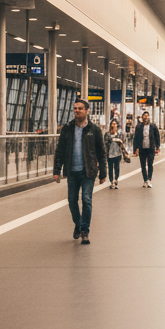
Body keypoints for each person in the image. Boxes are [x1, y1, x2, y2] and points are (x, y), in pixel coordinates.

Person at [53, 98, 106, 244]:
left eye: (80, 108)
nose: (77, 111)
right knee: (71, 200)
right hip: (72, 170)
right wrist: (56, 169)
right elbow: (60, 150)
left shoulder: (94, 130)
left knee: (86, 200)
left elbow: (101, 152)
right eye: (75, 108)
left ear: (87, 111)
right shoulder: (67, 128)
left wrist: (103, 173)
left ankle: (84, 230)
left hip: (88, 171)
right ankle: (78, 222)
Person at [132, 110, 160, 188]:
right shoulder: (139, 127)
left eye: (147, 116)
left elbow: (157, 137)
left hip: (151, 148)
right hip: (142, 148)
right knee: (143, 165)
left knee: (150, 164)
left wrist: (157, 147)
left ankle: (149, 180)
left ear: (149, 117)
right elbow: (136, 138)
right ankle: (145, 180)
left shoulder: (153, 126)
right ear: (142, 117)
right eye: (144, 116)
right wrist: (135, 149)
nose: (146, 117)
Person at [103, 118, 129, 189]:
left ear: (117, 125)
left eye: (115, 124)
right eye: (113, 124)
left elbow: (124, 142)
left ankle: (116, 180)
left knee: (117, 167)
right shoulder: (107, 134)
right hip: (110, 153)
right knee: (110, 168)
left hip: (118, 153)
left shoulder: (120, 134)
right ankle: (111, 181)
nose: (114, 125)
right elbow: (105, 144)